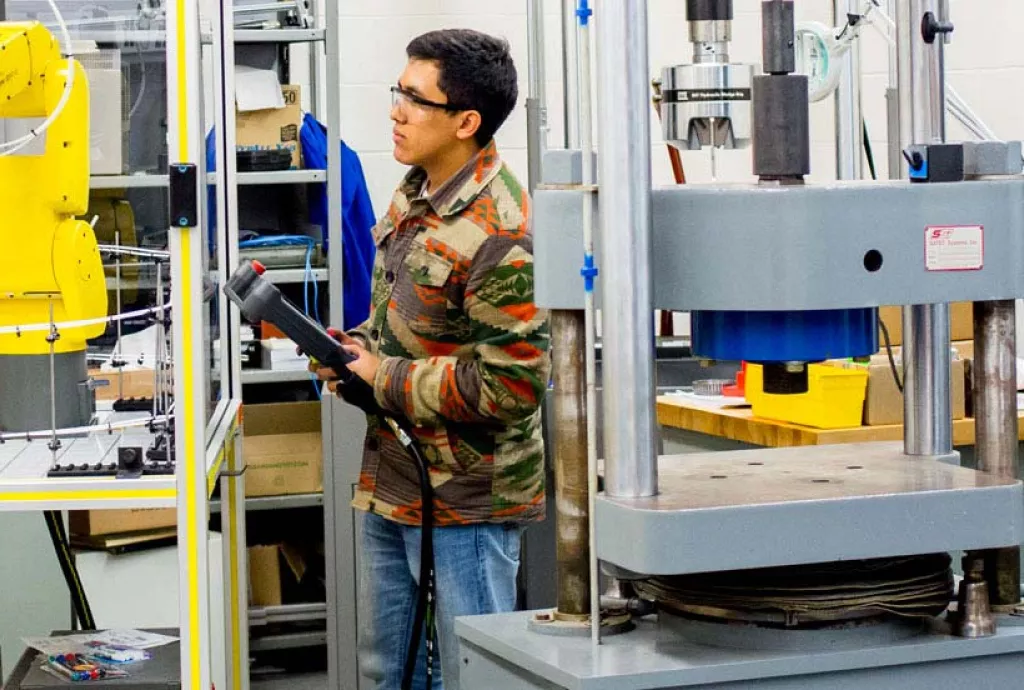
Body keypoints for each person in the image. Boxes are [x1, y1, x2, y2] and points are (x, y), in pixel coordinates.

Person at [313, 28, 550, 690]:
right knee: (389, 672)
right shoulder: (415, 193)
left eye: (415, 98)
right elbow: (409, 319)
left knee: (473, 675)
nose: (396, 110)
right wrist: (353, 348)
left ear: (466, 122)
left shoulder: (502, 230)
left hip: (468, 501)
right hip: (395, 479)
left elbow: (514, 384)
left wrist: (379, 376)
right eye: (397, 92)